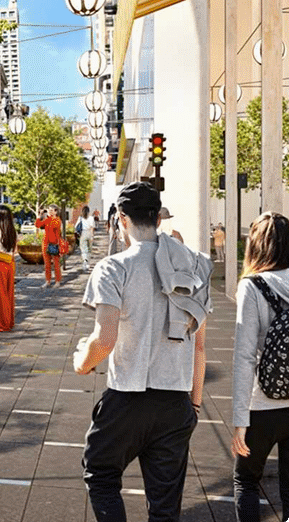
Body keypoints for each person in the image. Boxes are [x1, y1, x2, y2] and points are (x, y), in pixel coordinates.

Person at [74, 181, 211, 522]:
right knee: (165, 507)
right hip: (176, 400)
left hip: (128, 399)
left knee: (101, 472)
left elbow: (104, 340)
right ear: (158, 219)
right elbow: (200, 346)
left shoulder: (113, 267)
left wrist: (82, 362)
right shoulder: (192, 266)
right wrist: (193, 404)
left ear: (121, 219)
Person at [231, 213, 289, 522]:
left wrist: (240, 418)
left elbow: (244, 355)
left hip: (262, 405)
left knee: (247, 482)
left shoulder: (252, 286)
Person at [0, 206, 17, 332]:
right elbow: (15, 251)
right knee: (9, 294)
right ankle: (9, 321)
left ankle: (2, 324)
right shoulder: (12, 230)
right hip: (10, 263)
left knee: (0, 295)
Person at [35, 205, 64, 287]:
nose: (50, 212)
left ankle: (57, 281)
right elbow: (38, 225)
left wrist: (60, 246)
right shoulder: (47, 219)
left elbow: (58, 234)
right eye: (49, 210)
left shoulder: (57, 221)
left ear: (55, 211)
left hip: (54, 244)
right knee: (47, 264)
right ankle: (48, 281)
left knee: (56, 264)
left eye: (51, 210)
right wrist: (39, 216)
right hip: (45, 244)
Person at [76, 206, 96, 272]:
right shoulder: (91, 218)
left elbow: (76, 226)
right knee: (89, 249)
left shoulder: (80, 218)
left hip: (83, 233)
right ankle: (88, 263)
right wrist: (92, 236)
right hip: (89, 233)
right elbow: (92, 227)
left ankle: (85, 262)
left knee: (84, 249)